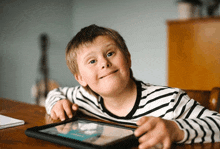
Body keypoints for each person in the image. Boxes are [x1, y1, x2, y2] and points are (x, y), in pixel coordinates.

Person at [45, 24, 220, 149]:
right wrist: (57, 102)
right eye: (92, 61)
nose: (104, 63)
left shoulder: (169, 102)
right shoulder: (82, 98)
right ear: (81, 78)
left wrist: (176, 130)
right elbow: (55, 92)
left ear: (128, 58)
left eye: (110, 53)